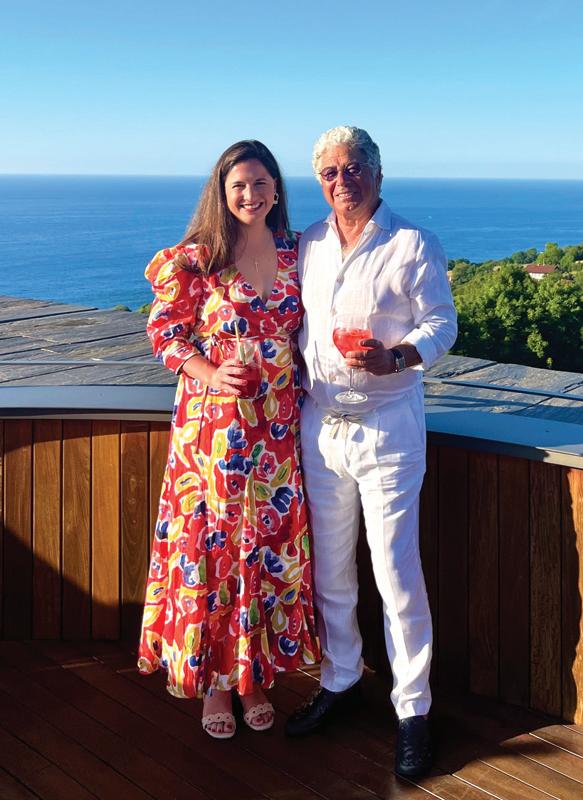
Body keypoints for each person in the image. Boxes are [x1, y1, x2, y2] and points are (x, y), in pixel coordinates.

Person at [284, 126, 457, 778]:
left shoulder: (412, 242)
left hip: (387, 426)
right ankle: (340, 679)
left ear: (378, 175)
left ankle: (413, 711)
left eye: (354, 167)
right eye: (330, 172)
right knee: (330, 570)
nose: (342, 180)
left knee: (394, 574)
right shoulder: (308, 243)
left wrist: (398, 356)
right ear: (319, 181)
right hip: (320, 424)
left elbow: (441, 323)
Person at [138, 140, 319, 740]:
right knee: (214, 552)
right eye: (238, 185)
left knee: (265, 547)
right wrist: (211, 373)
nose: (250, 194)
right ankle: (215, 683)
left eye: (261, 182)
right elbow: (164, 334)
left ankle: (252, 677)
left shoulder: (298, 252)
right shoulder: (199, 258)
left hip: (277, 429)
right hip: (213, 433)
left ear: (277, 188)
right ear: (221, 192)